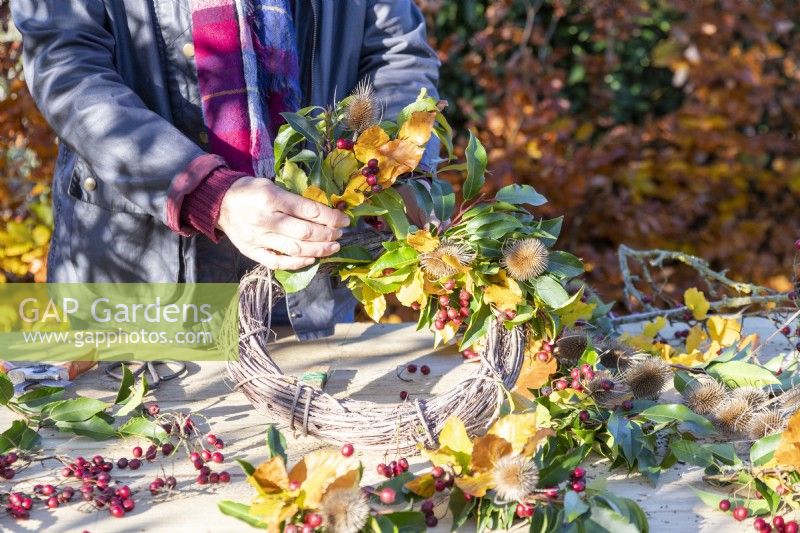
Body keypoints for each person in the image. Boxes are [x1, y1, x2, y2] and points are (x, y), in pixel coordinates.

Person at [11, 0, 440, 340]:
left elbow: (395, 52)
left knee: (300, 436)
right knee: (134, 443)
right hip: (140, 284)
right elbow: (66, 66)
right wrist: (206, 192)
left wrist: (392, 167)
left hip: (307, 272)